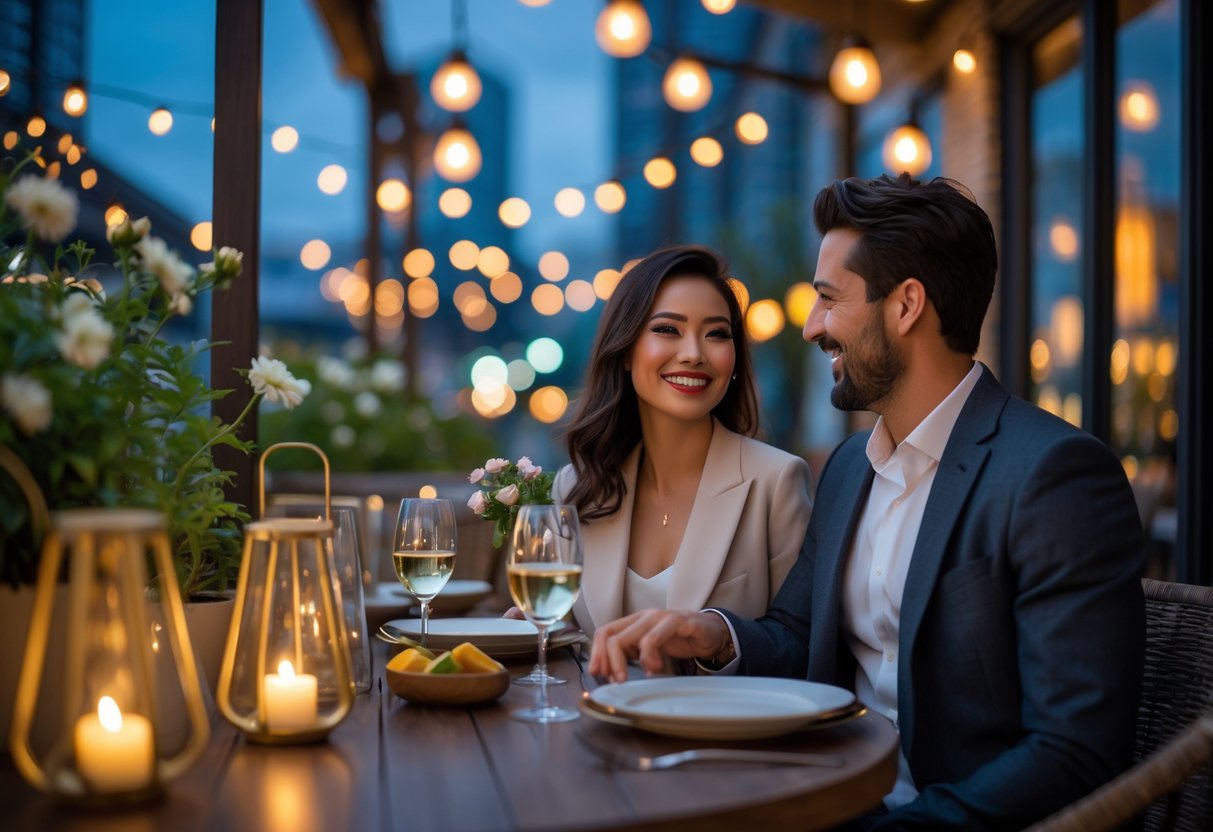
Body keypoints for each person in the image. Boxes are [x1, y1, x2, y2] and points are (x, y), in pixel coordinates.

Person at [589, 175, 1146, 831]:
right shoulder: (851, 467)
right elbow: (797, 638)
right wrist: (714, 633)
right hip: (822, 799)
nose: (810, 326)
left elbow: (1073, 752)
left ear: (905, 305)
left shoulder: (1053, 475)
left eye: (827, 299)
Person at [551, 245, 813, 639]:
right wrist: (542, 634)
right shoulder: (576, 487)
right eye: (667, 329)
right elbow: (572, 637)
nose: (693, 354)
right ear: (625, 350)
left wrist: (720, 639)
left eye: (716, 334)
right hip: (601, 703)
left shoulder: (777, 481)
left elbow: (800, 643)